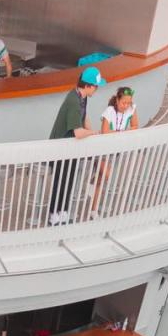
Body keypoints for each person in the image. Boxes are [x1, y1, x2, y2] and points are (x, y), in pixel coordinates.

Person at [47, 66, 105, 225]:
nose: (97, 90)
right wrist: (93, 133)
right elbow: (79, 133)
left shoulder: (82, 97)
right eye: (96, 86)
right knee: (61, 180)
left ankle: (64, 211)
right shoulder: (73, 100)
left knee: (70, 179)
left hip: (70, 147)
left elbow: (84, 118)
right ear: (88, 86)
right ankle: (54, 214)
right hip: (60, 147)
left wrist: (91, 130)